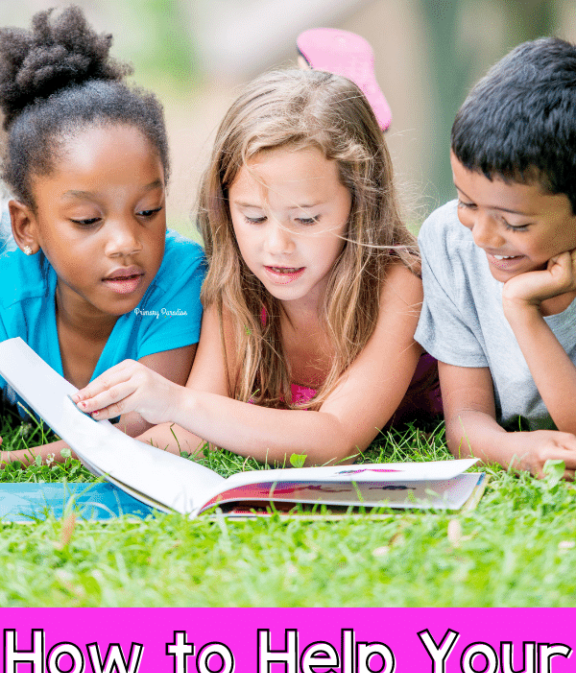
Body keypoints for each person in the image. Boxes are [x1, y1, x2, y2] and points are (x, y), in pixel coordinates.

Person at [73, 68, 440, 466]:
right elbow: (194, 429)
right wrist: (66, 454)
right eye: (254, 217)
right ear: (225, 205)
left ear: (360, 203)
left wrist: (176, 401)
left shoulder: (396, 285)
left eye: (306, 219)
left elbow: (337, 437)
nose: (277, 246)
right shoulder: (239, 288)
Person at [0, 5, 205, 465]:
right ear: (26, 227)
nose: (126, 242)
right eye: (88, 221)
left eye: (148, 211)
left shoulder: (179, 281)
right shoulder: (8, 285)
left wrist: (16, 461)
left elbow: (134, 425)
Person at [415, 37, 576, 477]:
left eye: (515, 224)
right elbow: (465, 419)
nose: (483, 237)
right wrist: (511, 452)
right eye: (467, 202)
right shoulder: (449, 241)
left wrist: (522, 310)